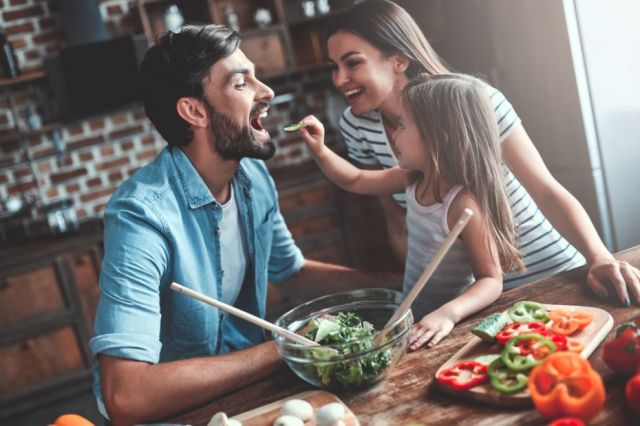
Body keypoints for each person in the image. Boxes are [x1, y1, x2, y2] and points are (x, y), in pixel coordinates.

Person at [89, 25, 400, 426]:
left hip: (244, 398)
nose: (265, 91)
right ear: (195, 111)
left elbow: (294, 274)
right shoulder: (141, 216)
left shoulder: (251, 175)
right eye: (242, 83)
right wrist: (286, 346)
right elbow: (126, 395)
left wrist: (400, 286)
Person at [325, 0, 640, 305]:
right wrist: (422, 299)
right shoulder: (357, 125)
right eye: (334, 67)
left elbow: (545, 190)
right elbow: (398, 223)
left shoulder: (473, 101)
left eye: (352, 63)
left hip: (549, 275)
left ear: (398, 59)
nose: (339, 79)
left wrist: (598, 256)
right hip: (471, 303)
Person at [298, 73, 523, 349]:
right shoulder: (413, 178)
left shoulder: (463, 205)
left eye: (403, 125)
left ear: (438, 140)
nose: (394, 134)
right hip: (413, 317)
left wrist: (446, 315)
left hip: (443, 330)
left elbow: (491, 280)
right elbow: (355, 179)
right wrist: (320, 151)